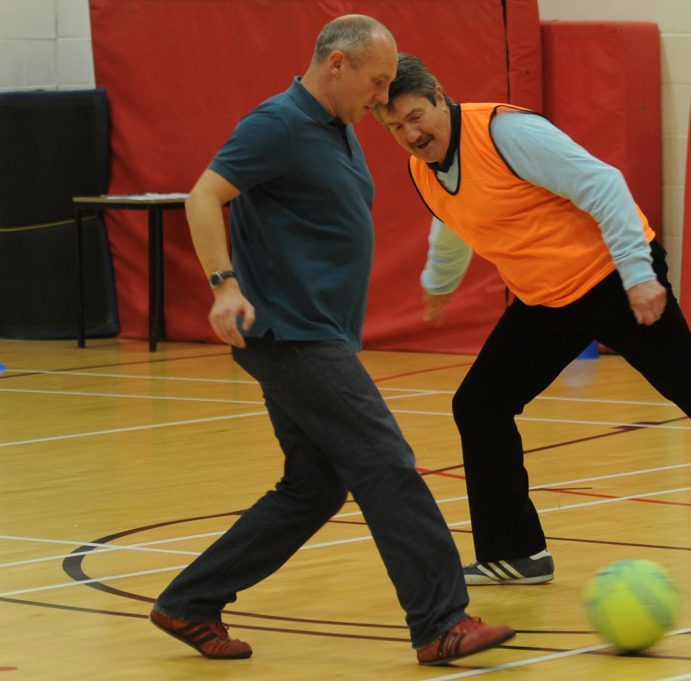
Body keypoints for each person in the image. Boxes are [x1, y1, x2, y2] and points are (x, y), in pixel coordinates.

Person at [375, 54, 691, 586]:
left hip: (613, 276)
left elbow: (604, 185)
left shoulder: (507, 133)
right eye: (395, 126)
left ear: (440, 96)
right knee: (479, 405)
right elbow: (452, 226)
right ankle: (515, 552)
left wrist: (637, 273)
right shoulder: (424, 169)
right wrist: (438, 286)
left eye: (417, 116)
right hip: (548, 300)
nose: (410, 133)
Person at [148, 18, 514, 665]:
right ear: (337, 65)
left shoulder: (337, 128)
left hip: (316, 335)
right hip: (290, 334)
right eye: (375, 82)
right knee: (386, 460)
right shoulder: (279, 123)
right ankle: (440, 620)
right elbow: (204, 197)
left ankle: (190, 600)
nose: (382, 98)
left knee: (313, 486)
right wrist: (223, 285)